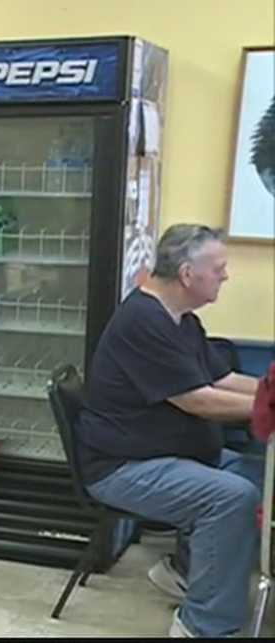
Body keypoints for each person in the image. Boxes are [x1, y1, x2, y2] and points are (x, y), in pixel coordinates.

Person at [76, 224, 263, 638]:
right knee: (233, 497)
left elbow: (224, 379)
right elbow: (197, 400)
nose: (225, 276)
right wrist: (266, 409)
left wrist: (267, 392)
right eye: (219, 268)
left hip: (167, 455)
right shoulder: (144, 320)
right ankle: (203, 626)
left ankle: (185, 571)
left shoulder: (181, 321)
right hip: (122, 467)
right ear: (186, 274)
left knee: (260, 476)